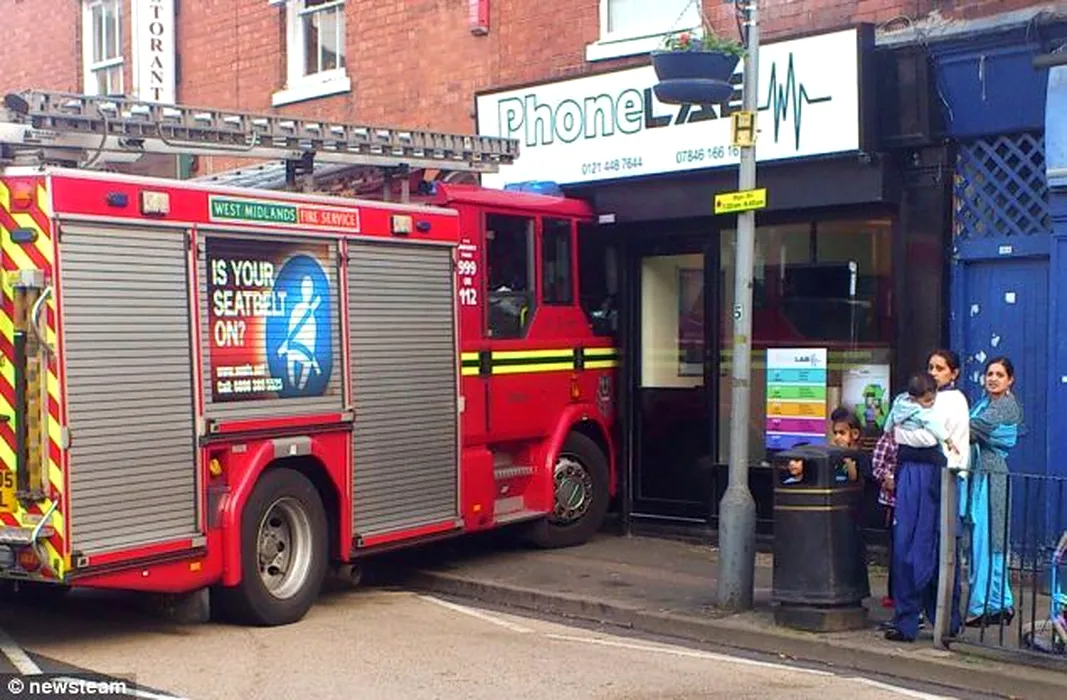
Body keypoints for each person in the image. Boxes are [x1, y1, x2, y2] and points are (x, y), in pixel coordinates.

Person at [885, 350, 969, 642]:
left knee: (932, 547)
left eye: (940, 368)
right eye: (930, 366)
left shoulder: (952, 401)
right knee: (912, 545)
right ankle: (914, 618)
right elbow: (899, 430)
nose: (933, 372)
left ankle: (940, 620)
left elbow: (926, 437)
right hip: (917, 472)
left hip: (935, 475)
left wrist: (902, 433)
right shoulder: (916, 399)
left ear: (954, 373)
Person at [961, 356, 1022, 627]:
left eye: (999, 374)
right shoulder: (984, 403)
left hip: (992, 476)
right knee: (984, 541)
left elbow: (973, 429)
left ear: (1010, 380)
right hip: (980, 474)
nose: (993, 378)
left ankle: (985, 605)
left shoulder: (1005, 406)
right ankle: (1000, 602)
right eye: (989, 373)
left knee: (989, 541)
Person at [884, 372, 960, 461]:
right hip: (921, 450)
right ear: (913, 399)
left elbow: (891, 417)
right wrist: (948, 440)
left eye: (933, 399)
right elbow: (935, 425)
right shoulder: (921, 411)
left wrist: (887, 431)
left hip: (904, 449)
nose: (932, 402)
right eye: (927, 400)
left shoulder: (899, 403)